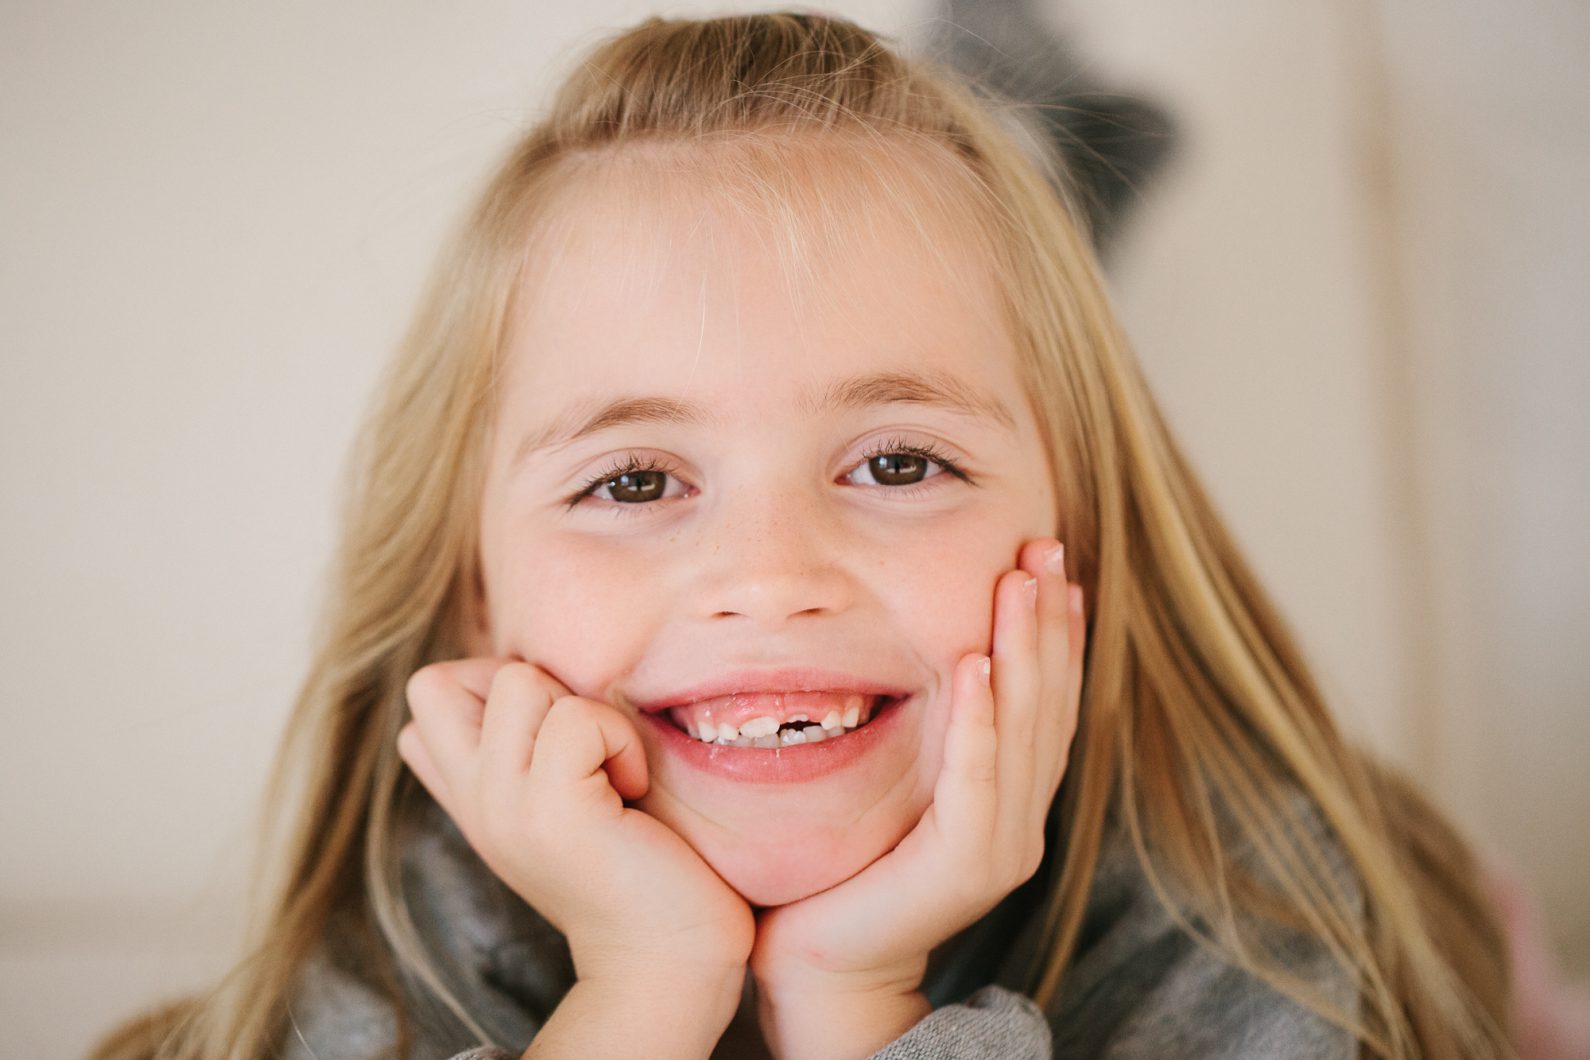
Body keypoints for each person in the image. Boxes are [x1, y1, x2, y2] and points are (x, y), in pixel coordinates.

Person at [92, 12, 1513, 1059]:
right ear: (473, 602)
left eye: (897, 461)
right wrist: (640, 985)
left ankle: (1043, 157)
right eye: (635, 483)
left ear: (1087, 545)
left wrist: (855, 1000)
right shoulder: (387, 956)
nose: (769, 576)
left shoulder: (1264, 927)